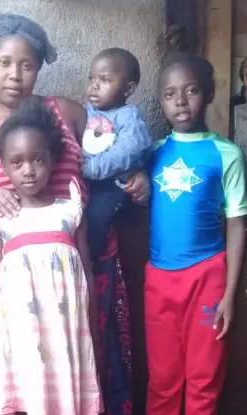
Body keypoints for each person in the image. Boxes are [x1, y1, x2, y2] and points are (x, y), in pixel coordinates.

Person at [0, 13, 149, 415]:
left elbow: (116, 148)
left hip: (81, 271)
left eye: (26, 64)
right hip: (19, 285)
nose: (14, 75)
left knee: (88, 370)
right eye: (3, 63)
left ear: (39, 68)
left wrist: (137, 174)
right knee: (25, 397)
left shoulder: (68, 113)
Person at [0, 97, 102, 415]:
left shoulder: (71, 211)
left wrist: (91, 329)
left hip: (63, 336)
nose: (28, 170)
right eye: (17, 162)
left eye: (38, 159)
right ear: (3, 167)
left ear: (53, 160)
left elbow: (87, 271)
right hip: (18, 338)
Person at [144, 51, 247, 415]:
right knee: (163, 380)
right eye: (170, 94)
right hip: (158, 279)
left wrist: (229, 295)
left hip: (208, 277)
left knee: (204, 377)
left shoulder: (226, 154)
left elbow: (237, 224)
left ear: (208, 94)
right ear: (160, 100)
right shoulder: (151, 153)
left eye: (190, 91)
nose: (181, 101)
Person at [82, 48, 153, 263]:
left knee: (96, 217)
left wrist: (94, 167)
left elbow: (128, 150)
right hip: (91, 181)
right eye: (92, 78)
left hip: (116, 183)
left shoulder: (128, 116)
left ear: (128, 89)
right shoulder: (87, 111)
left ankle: (93, 260)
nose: (94, 86)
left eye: (104, 80)